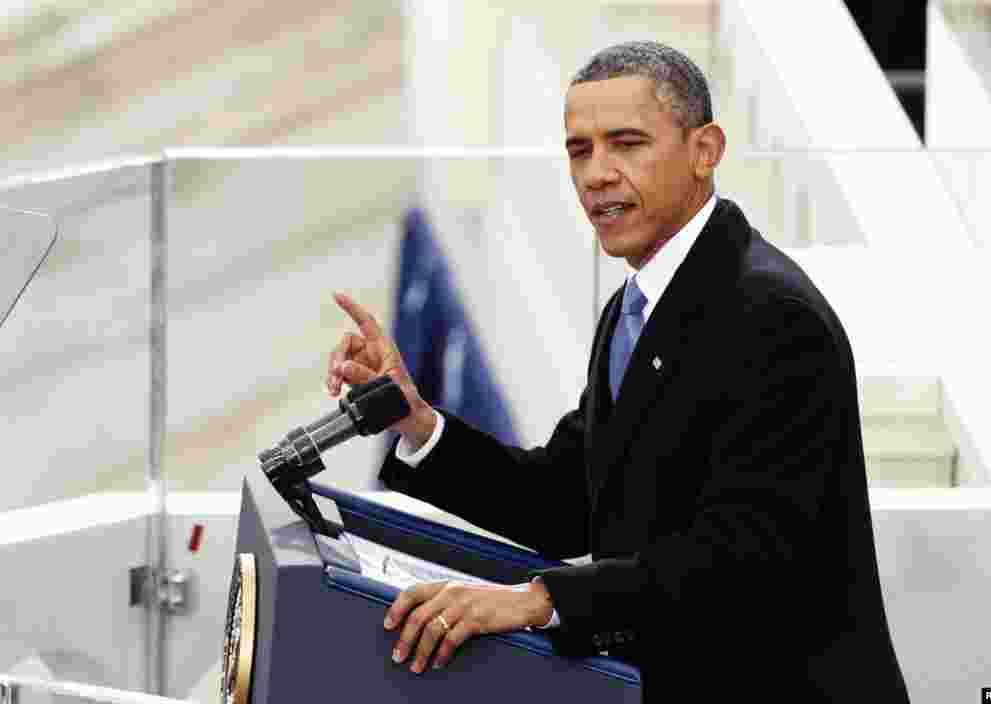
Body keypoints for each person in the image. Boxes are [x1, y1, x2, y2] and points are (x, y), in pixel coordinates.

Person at [326, 41, 910, 702]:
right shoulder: (633, 309)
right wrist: (418, 421)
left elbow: (743, 557)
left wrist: (540, 600)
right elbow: (567, 500)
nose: (596, 174)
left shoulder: (773, 315)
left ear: (705, 150)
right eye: (580, 150)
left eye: (627, 144)